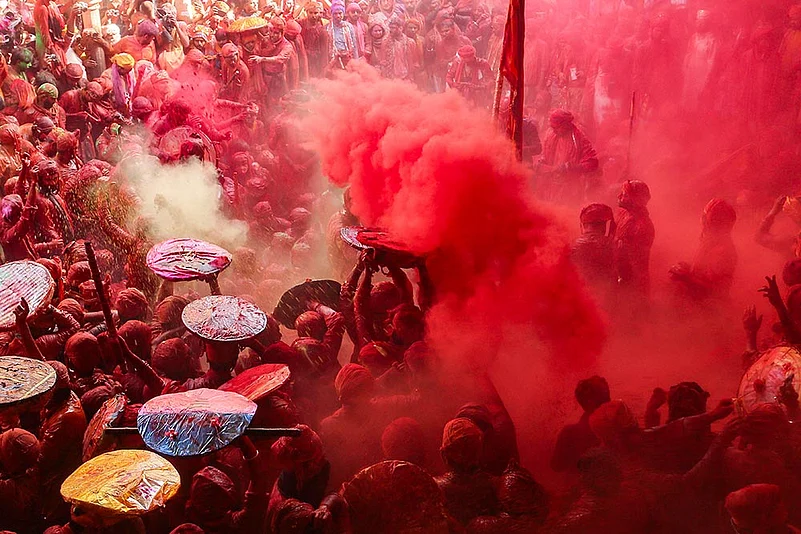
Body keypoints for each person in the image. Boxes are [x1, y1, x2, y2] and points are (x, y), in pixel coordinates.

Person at [670, 198, 737, 302]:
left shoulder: (723, 250)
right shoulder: (710, 242)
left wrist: (686, 277)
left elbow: (716, 291)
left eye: (706, 218)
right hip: (697, 304)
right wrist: (688, 268)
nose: (703, 221)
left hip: (708, 309)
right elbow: (703, 273)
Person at [535, 109, 599, 202]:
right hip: (550, 189)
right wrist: (541, 163)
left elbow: (593, 163)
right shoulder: (551, 135)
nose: (554, 131)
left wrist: (569, 167)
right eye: (552, 127)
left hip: (570, 190)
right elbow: (545, 155)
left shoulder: (579, 138)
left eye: (556, 128)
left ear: (566, 125)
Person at [551, 376, 610, 473]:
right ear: (590, 403)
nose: (608, 399)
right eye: (604, 396)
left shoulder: (569, 433)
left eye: (607, 394)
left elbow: (556, 467)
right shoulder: (570, 434)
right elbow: (557, 467)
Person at [615, 179, 655, 301]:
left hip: (632, 286)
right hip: (622, 279)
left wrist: (623, 283)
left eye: (625, 195)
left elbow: (636, 263)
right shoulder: (625, 214)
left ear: (635, 200)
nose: (619, 196)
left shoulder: (641, 225)